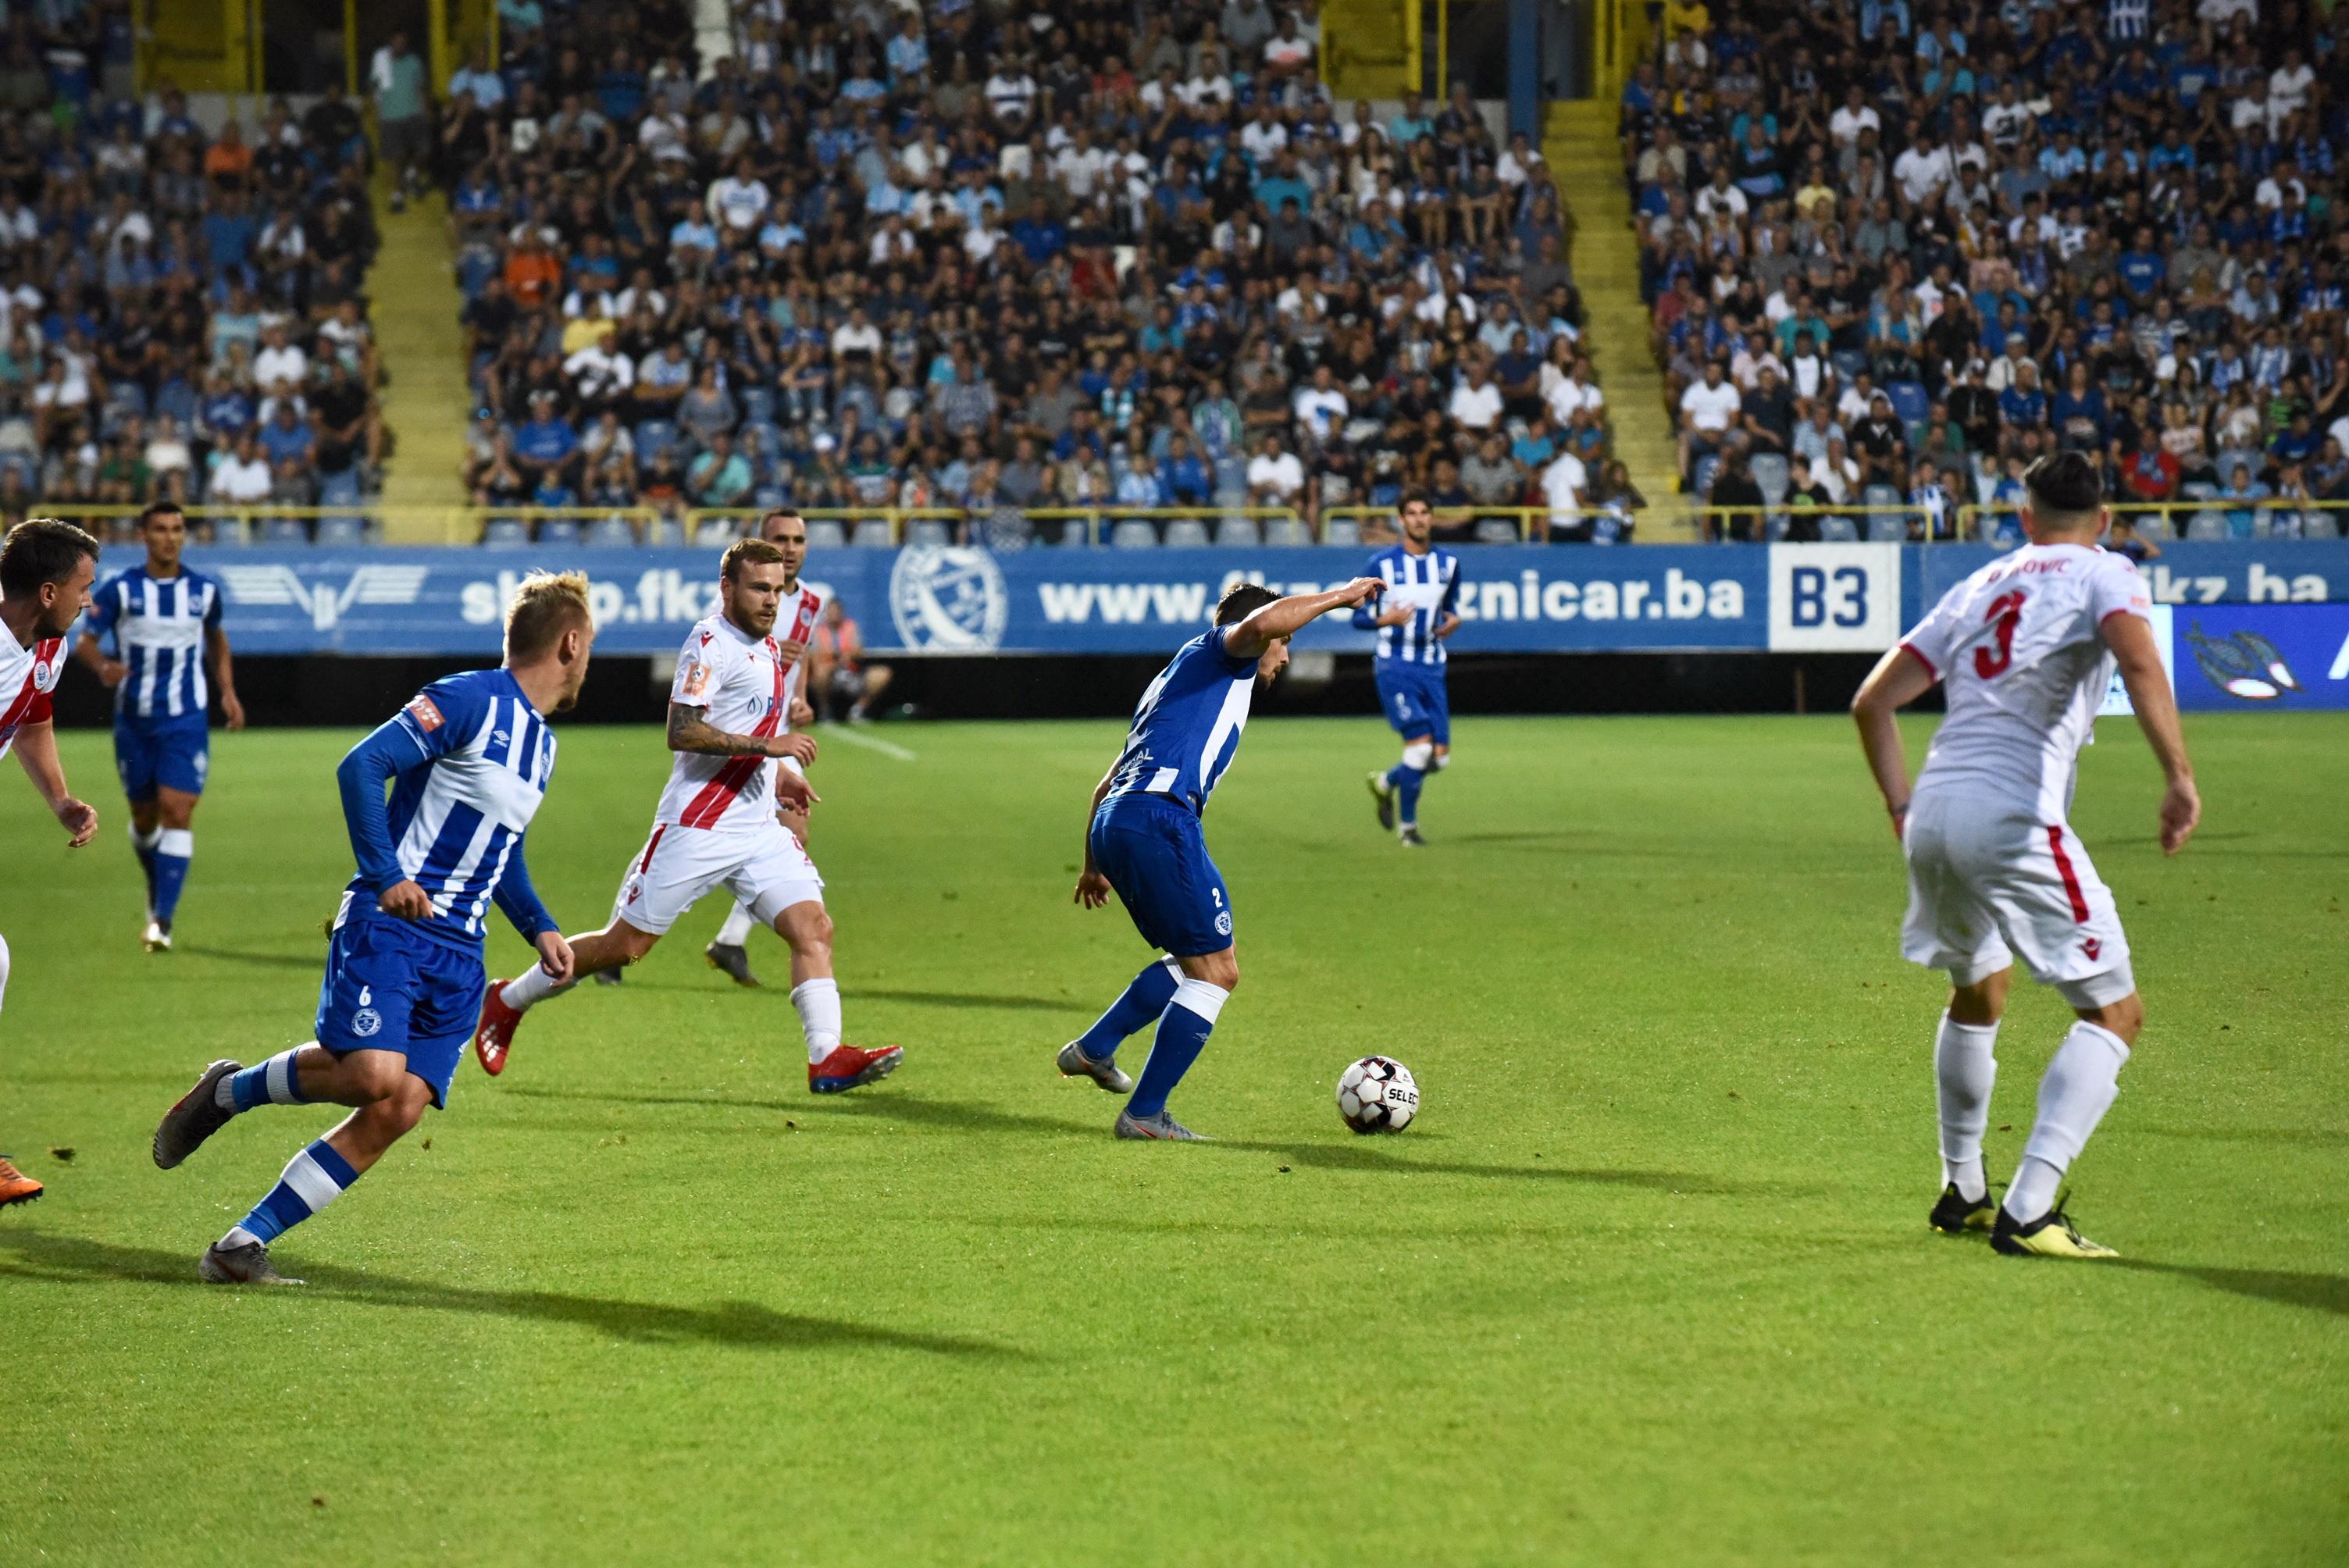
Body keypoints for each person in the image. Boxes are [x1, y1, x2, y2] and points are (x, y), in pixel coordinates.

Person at [150, 572, 597, 1285]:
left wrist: (540, 926)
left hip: (461, 955)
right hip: (394, 924)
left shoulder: (541, 745)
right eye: (590, 645)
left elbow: (500, 847)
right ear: (571, 642)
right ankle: (228, 1091)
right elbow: (363, 764)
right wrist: (387, 874)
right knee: (371, 1074)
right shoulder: (469, 698)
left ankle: (239, 1246)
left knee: (401, 1108)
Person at [1848, 451, 2200, 1260]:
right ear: (2103, 520)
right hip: (2010, 813)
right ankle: (2028, 1208)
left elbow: (1872, 701)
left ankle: (1962, 1187)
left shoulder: (1982, 582)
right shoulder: (2103, 573)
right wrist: (2177, 775)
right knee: (2115, 1012)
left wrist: (1901, 807)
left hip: (1934, 808)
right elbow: (2140, 660)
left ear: (2022, 515)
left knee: (1979, 987)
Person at [472, 538, 904, 1096]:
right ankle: (508, 1000)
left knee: (813, 929)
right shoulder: (709, 644)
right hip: (697, 825)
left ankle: (827, 1059)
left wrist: (778, 777)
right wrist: (768, 750)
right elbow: (682, 730)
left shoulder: (768, 647)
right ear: (727, 588)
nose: (771, 600)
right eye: (758, 588)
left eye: (776, 590)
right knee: (623, 947)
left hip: (755, 827)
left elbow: (752, 730)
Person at [1064, 574, 1387, 1139]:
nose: (1284, 655)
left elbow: (1103, 785)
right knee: (1218, 973)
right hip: (1160, 817)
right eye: (1285, 644)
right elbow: (1263, 623)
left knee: (1198, 959)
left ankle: (1095, 1048)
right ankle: (1144, 1116)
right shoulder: (1224, 653)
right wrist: (1340, 597)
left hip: (1120, 818)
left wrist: (1093, 864)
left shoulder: (1172, 682)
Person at [73, 501, 246, 951]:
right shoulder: (121, 590)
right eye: (160, 529)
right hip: (134, 721)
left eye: (177, 529)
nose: (170, 537)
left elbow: (216, 638)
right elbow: (85, 643)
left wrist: (227, 691)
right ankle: (159, 888)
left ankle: (162, 921)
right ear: (144, 536)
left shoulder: (204, 591)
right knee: (145, 818)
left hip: (186, 718)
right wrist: (103, 666)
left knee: (178, 811)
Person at [0, 519, 103, 1209]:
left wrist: (60, 799)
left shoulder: (47, 644)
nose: (87, 600)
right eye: (82, 588)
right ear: (46, 590)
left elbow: (32, 722)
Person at [1356, 493, 1460, 846]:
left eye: (1424, 512)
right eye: (1411, 513)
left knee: (1439, 759)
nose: (1418, 519)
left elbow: (1451, 606)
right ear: (1401, 520)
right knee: (1418, 749)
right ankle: (1408, 829)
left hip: (1432, 666)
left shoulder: (1448, 564)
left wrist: (1452, 619)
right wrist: (1387, 618)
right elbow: (1357, 617)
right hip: (1395, 664)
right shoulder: (1380, 565)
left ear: (1432, 517)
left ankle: (1385, 782)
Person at [810, 596, 894, 724]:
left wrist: (847, 656)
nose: (834, 614)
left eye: (837, 611)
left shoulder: (851, 627)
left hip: (851, 672)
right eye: (831, 611)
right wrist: (834, 658)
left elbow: (858, 651)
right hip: (830, 674)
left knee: (881, 673)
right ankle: (825, 711)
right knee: (820, 672)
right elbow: (814, 655)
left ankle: (858, 709)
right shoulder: (818, 631)